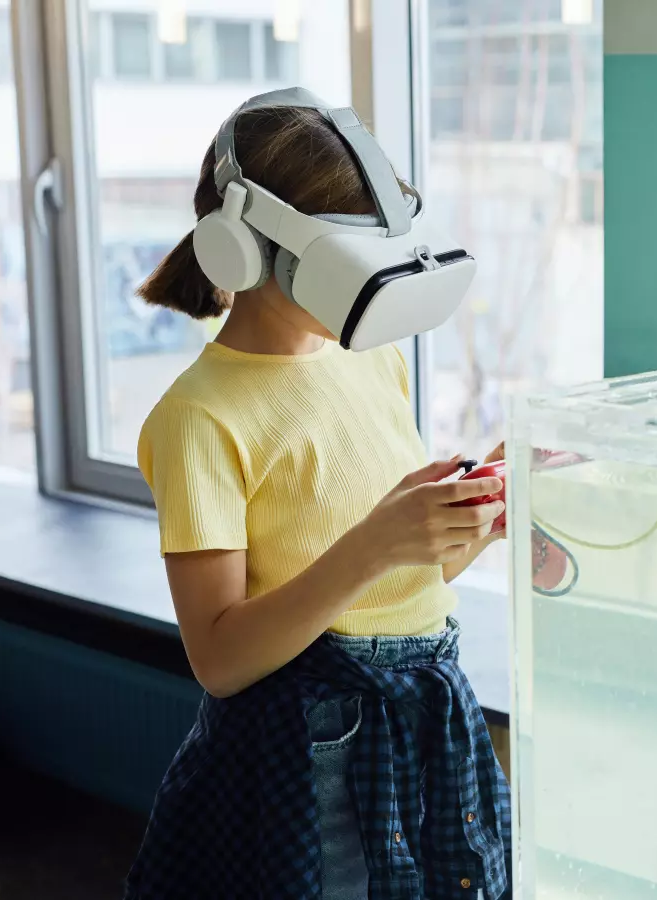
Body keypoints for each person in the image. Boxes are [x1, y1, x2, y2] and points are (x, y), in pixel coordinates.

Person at [123, 100, 511, 899]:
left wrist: (479, 517)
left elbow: (401, 582)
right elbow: (221, 660)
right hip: (311, 752)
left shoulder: (369, 361)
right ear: (242, 249)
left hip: (428, 719)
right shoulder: (199, 418)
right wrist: (376, 542)